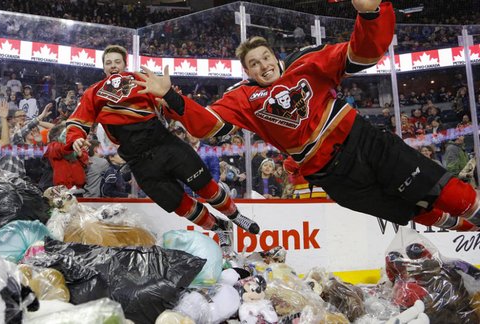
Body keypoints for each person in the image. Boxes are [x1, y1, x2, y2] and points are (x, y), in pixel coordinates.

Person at [134, 0, 479, 232]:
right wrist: (171, 97)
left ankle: (475, 214)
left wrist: (372, 13)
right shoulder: (242, 97)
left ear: (276, 56)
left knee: (432, 184)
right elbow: (209, 126)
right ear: (247, 71)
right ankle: (460, 228)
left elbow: (362, 53)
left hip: (363, 141)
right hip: (332, 176)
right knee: (405, 208)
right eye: (253, 64)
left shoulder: (306, 62)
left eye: (265, 57)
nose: (262, 66)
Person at [65, 44, 260, 237]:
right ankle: (219, 228)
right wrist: (76, 138)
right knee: (180, 205)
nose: (113, 66)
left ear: (125, 64)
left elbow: (168, 106)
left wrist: (168, 95)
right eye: (108, 63)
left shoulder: (141, 80)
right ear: (103, 67)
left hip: (165, 144)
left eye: (117, 61)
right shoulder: (94, 92)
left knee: (205, 185)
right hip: (138, 161)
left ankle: (235, 216)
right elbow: (78, 120)